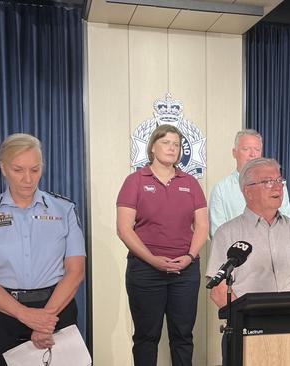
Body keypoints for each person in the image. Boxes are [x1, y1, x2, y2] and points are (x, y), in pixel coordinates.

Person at [0, 133, 86, 366]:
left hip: (56, 310)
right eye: (18, 170)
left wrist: (45, 320)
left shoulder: (64, 209)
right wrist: (25, 315)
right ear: (3, 168)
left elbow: (75, 271)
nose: (28, 179)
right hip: (0, 315)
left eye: (35, 169)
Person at [206, 158, 290, 364]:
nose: (277, 187)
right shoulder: (227, 233)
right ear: (247, 191)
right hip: (248, 331)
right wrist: (248, 323)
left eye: (279, 180)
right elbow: (218, 290)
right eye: (268, 181)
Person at [116, 124, 208, 366]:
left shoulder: (191, 183)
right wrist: (153, 260)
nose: (172, 148)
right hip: (146, 271)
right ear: (153, 147)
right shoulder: (134, 181)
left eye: (176, 144)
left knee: (183, 337)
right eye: (166, 142)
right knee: (146, 338)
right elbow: (124, 229)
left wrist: (190, 256)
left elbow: (202, 226)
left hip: (185, 271)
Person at [209, 129, 290, 237]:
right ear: (234, 153)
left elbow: (286, 225)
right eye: (246, 149)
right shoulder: (221, 190)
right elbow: (218, 235)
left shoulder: (278, 186)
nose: (252, 154)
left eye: (257, 149)